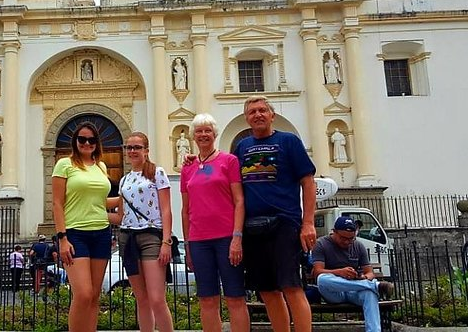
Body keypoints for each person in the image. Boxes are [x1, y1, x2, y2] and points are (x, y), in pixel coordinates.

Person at [233, 95, 317, 332]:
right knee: (267, 290)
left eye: (262, 110)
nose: (258, 115)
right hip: (253, 227)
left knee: (291, 286)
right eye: (252, 112)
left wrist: (308, 222)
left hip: (284, 223)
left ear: (272, 115)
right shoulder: (242, 147)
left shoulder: (288, 141)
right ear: (247, 118)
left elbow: (308, 182)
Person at [181, 113, 249, 332]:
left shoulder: (229, 161)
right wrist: (188, 245)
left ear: (215, 133)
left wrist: (237, 237)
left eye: (207, 130)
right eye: (199, 131)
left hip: (226, 238)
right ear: (193, 136)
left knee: (235, 298)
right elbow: (185, 210)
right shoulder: (188, 167)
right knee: (207, 299)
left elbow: (239, 201)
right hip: (199, 240)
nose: (203, 135)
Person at [52, 121, 113, 332]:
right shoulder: (64, 164)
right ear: (75, 141)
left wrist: (134, 195)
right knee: (84, 293)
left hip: (102, 232)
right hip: (75, 234)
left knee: (95, 295)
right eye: (82, 139)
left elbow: (100, 201)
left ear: (97, 143)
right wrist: (62, 238)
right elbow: (57, 203)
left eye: (91, 139)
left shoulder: (101, 166)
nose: (87, 143)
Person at [110, 131, 174, 332]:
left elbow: (166, 209)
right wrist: (88, 212)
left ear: (146, 150)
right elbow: (120, 215)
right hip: (127, 237)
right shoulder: (124, 180)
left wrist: (166, 242)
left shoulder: (157, 173)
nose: (132, 151)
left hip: (151, 236)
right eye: (129, 147)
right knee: (141, 299)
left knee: (156, 298)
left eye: (137, 147)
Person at [311, 217, 395, 332]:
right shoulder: (321, 244)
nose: (347, 241)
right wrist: (340, 272)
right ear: (334, 232)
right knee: (322, 279)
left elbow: (370, 272)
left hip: (354, 288)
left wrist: (363, 277)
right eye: (343, 238)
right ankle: (375, 286)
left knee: (369, 294)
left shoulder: (358, 246)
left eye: (351, 239)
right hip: (334, 291)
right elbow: (317, 271)